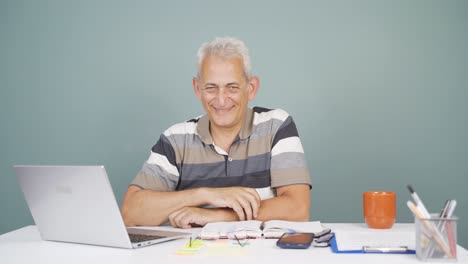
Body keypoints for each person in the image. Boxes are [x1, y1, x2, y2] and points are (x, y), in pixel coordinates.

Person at [121, 37, 311, 228]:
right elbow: (131, 213)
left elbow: (298, 209)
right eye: (211, 88)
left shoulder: (276, 126)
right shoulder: (175, 140)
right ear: (198, 89)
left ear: (251, 88)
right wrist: (203, 194)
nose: (221, 100)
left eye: (232, 87)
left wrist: (217, 216)